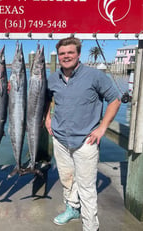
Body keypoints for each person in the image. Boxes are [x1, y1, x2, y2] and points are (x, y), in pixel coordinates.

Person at [45, 37, 121, 231]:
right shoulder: (53, 78)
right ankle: (72, 209)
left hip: (86, 140)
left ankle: (90, 226)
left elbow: (115, 100)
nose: (66, 56)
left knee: (87, 188)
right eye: (62, 53)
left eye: (70, 52)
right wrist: (47, 118)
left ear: (78, 54)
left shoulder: (95, 76)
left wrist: (103, 127)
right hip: (61, 139)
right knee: (67, 180)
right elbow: (45, 98)